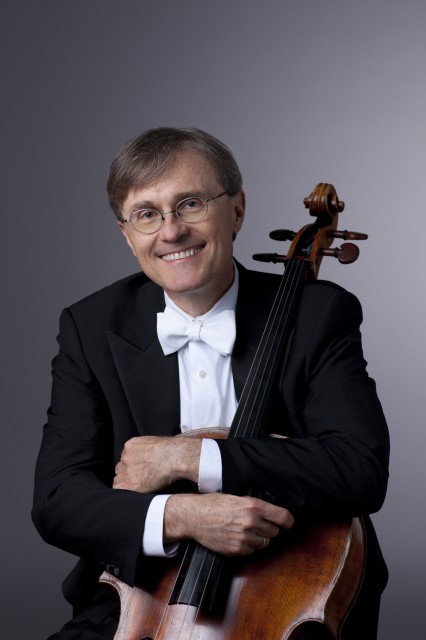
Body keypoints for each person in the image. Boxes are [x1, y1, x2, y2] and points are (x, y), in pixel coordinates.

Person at [32, 127, 389, 640]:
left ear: (237, 210)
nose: (171, 231)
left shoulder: (318, 314)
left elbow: (359, 468)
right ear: (127, 235)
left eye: (191, 204)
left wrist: (189, 457)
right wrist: (179, 515)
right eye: (147, 214)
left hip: (289, 596)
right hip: (132, 602)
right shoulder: (90, 327)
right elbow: (58, 499)